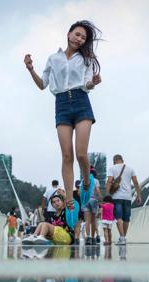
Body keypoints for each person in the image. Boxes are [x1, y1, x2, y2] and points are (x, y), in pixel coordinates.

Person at [24, 20, 102, 203]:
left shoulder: (86, 59)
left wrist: (94, 82)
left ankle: (85, 180)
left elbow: (87, 83)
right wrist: (30, 69)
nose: (80, 39)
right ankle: (69, 199)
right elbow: (43, 85)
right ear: (69, 34)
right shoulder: (53, 58)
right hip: (62, 105)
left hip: (81, 102)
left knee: (81, 154)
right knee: (67, 155)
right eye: (77, 34)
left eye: (83, 37)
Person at [105, 154, 142, 245]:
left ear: (114, 161)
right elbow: (136, 182)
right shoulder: (130, 169)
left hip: (116, 197)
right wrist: (139, 195)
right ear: (122, 160)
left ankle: (122, 238)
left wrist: (107, 195)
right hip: (127, 197)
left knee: (118, 217)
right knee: (126, 218)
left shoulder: (112, 169)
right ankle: (123, 238)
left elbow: (109, 181)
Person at [84, 166, 102, 245]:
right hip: (94, 200)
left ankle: (88, 238)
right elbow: (97, 190)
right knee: (93, 221)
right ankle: (94, 238)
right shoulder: (96, 181)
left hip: (86, 201)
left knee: (87, 221)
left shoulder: (83, 180)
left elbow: (79, 192)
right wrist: (100, 198)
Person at [72, 180, 84, 244]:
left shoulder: (72, 193)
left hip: (74, 210)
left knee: (74, 225)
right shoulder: (83, 193)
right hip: (81, 210)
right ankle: (77, 238)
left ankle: (74, 237)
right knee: (78, 225)